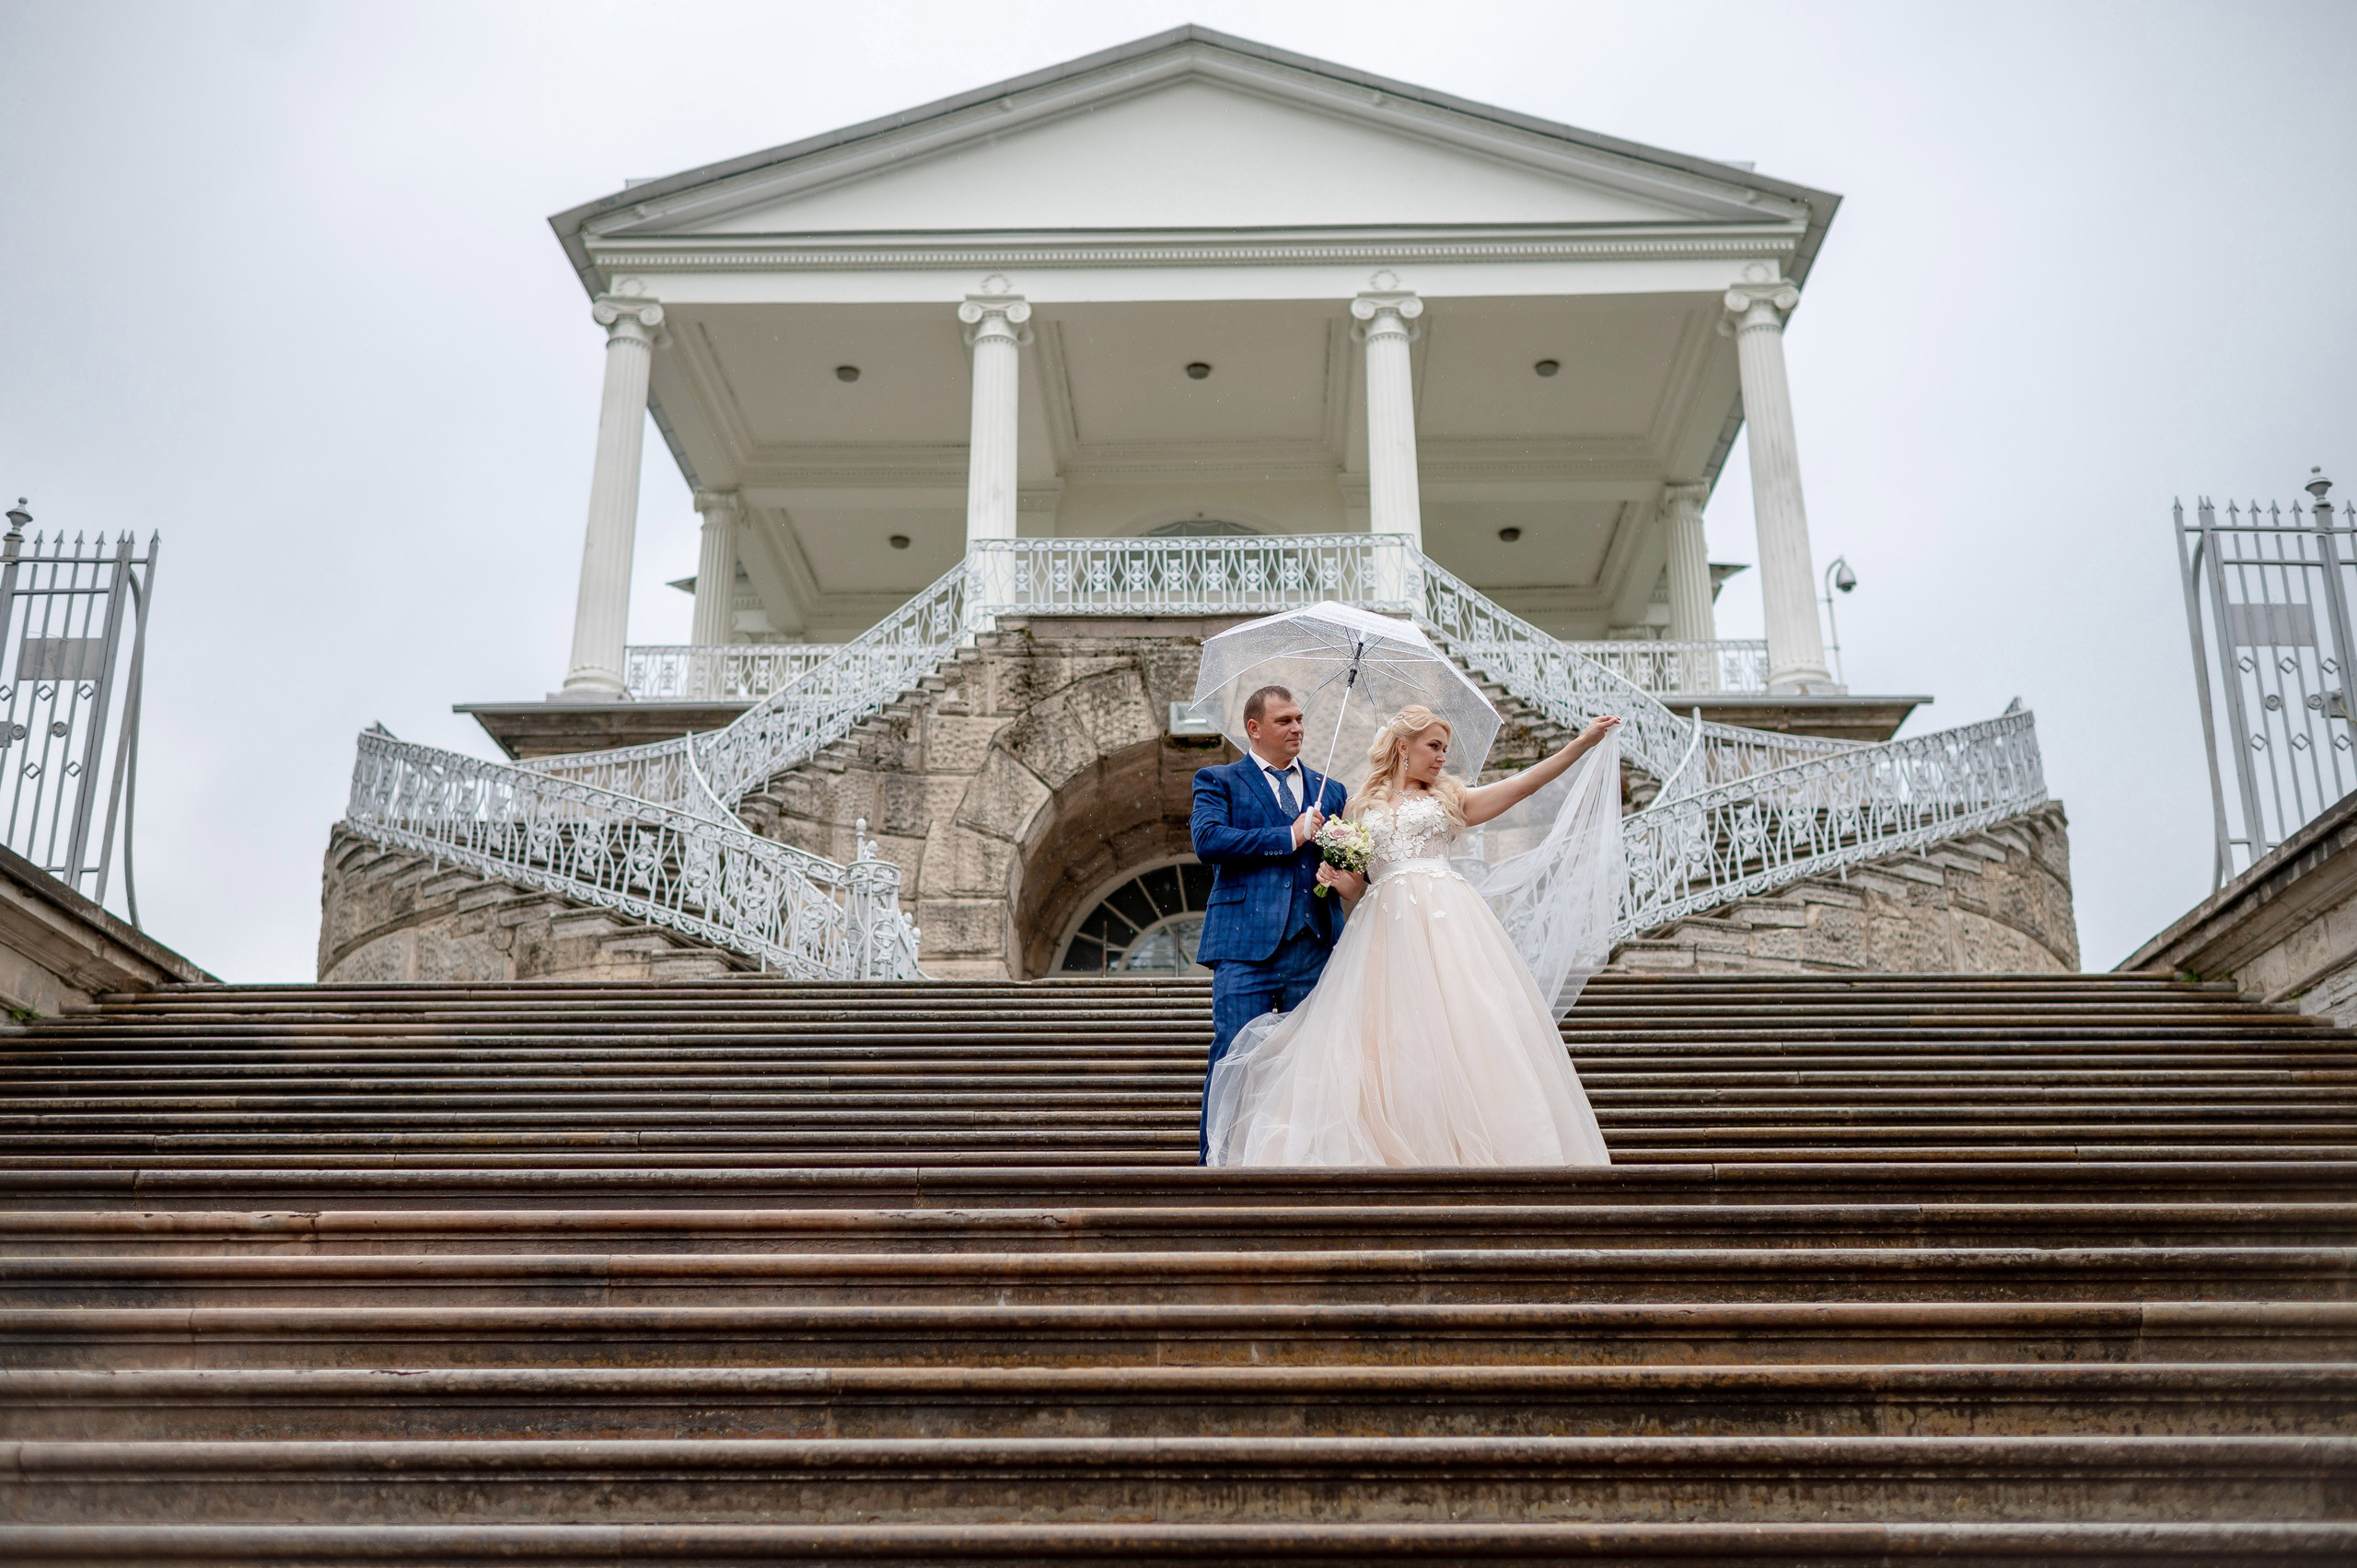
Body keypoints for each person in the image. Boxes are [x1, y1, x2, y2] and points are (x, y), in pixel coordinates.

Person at [1202, 703, 1621, 1167]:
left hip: (1449, 924)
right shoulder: (1356, 804)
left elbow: (1524, 785)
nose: (1442, 757)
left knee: (1467, 1027)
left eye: (1445, 748)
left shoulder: (1451, 798)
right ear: (1404, 746)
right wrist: (1346, 884)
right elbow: (1356, 881)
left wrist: (1581, 744)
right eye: (1434, 746)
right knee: (1386, 1040)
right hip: (1382, 932)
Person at [1188, 684, 1364, 1165]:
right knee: (1233, 1056)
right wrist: (1288, 835)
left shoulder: (1333, 789)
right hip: (1244, 944)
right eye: (1285, 720)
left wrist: (1343, 869)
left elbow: (1349, 863)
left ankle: (1301, 1159)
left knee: (1310, 1059)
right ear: (1255, 728)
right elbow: (1208, 841)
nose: (1297, 728)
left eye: (1300, 719)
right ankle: (1217, 1163)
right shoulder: (1218, 779)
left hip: (1314, 943)